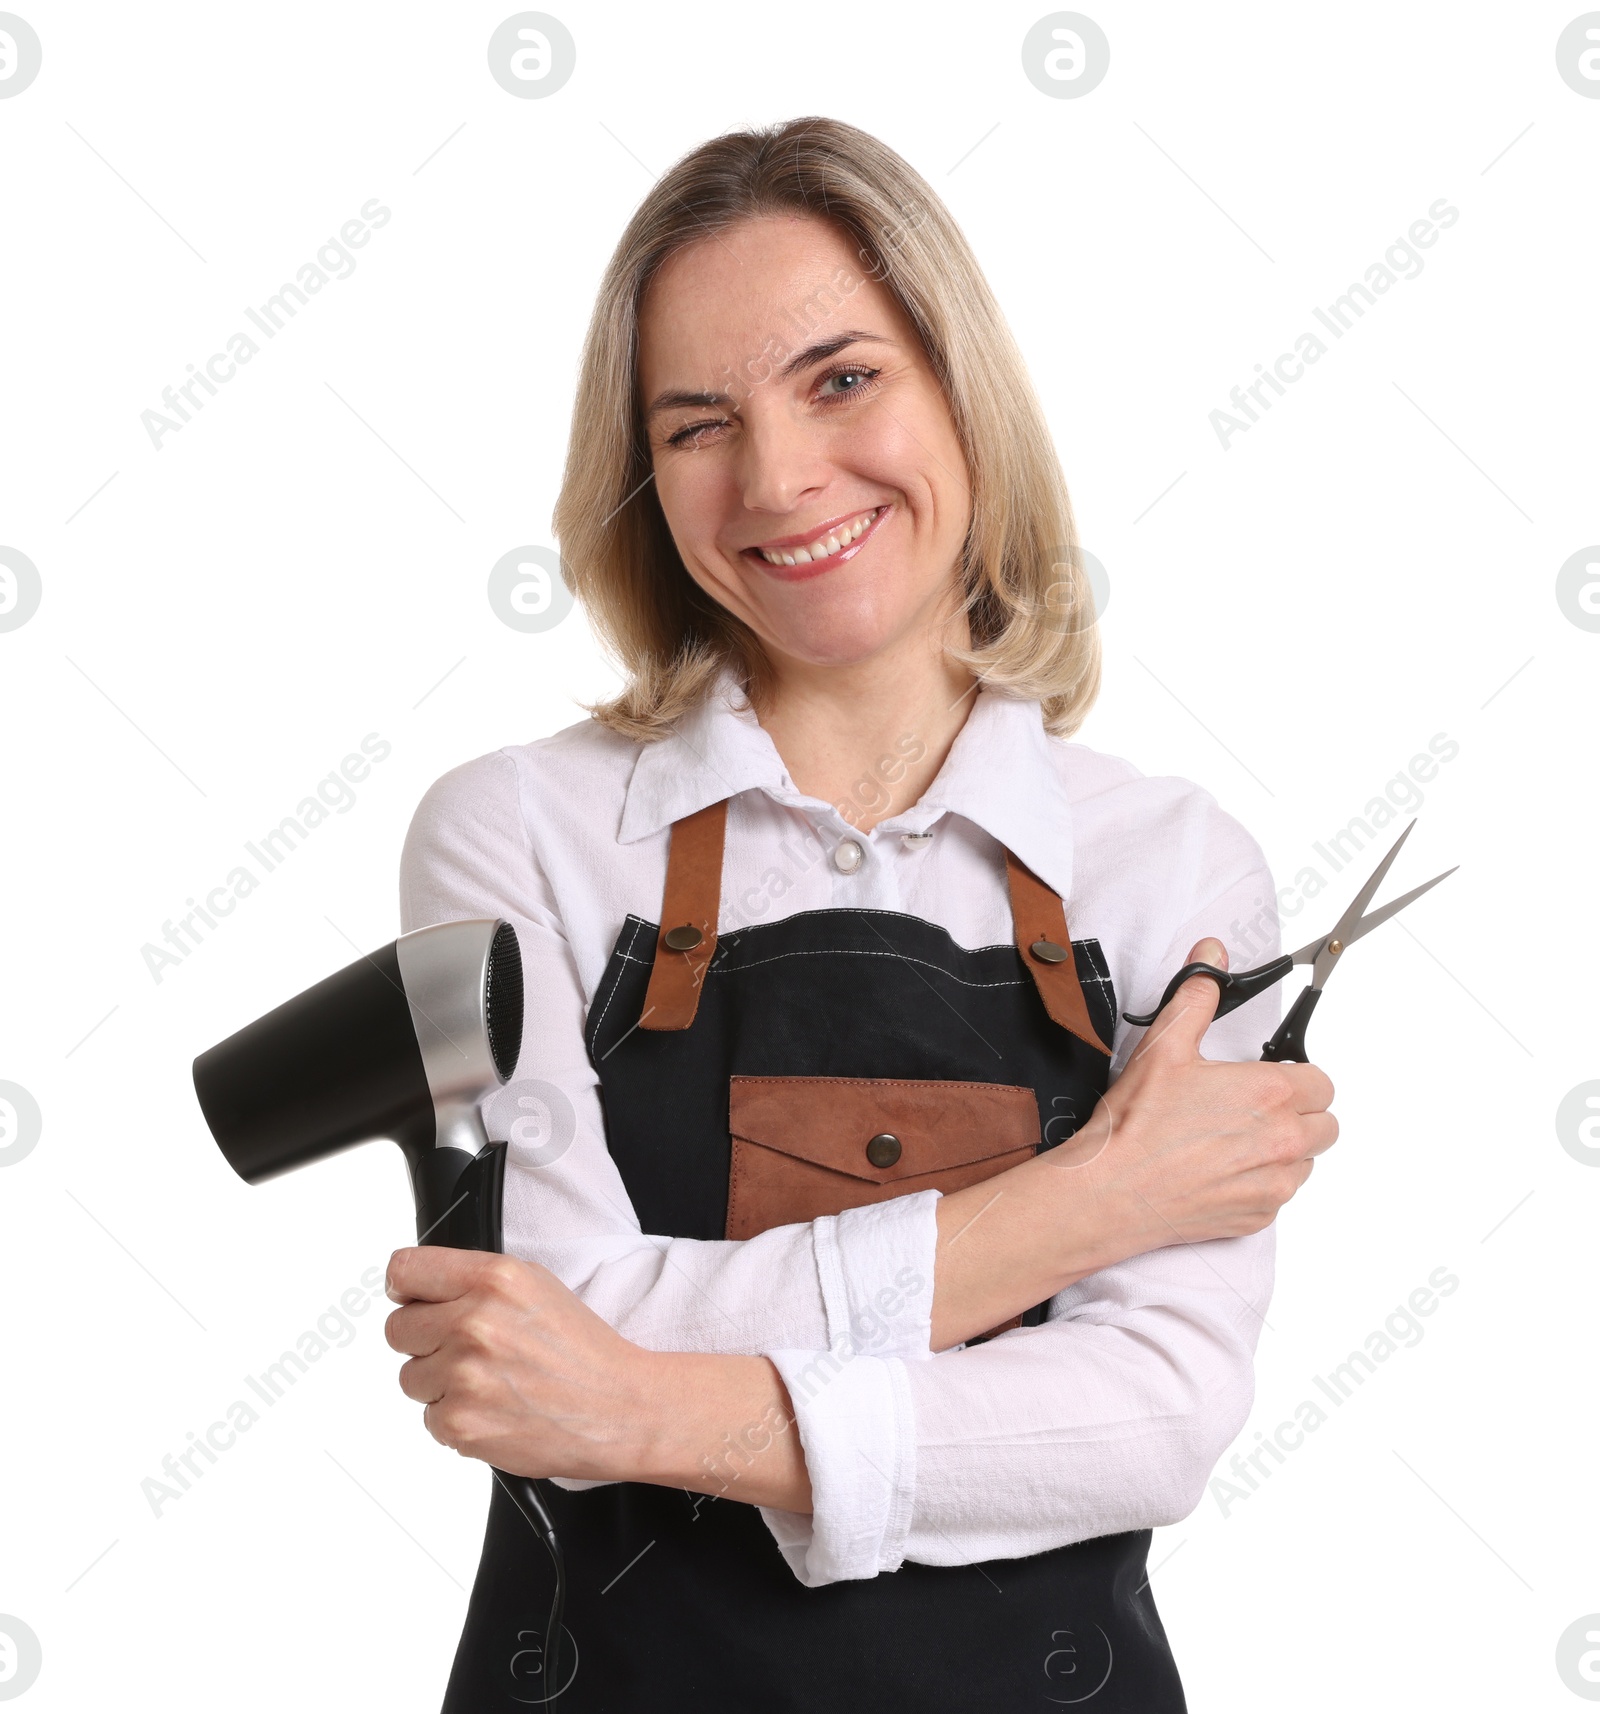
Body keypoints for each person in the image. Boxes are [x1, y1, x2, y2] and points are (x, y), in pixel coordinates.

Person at [383, 116, 1337, 1711]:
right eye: (697, 424)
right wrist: (1079, 1209)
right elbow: (540, 1318)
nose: (778, 477)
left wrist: (633, 1410)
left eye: (840, 379)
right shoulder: (495, 838)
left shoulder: (1180, 872)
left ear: (963, 387)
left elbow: (1150, 1414)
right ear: (645, 479)